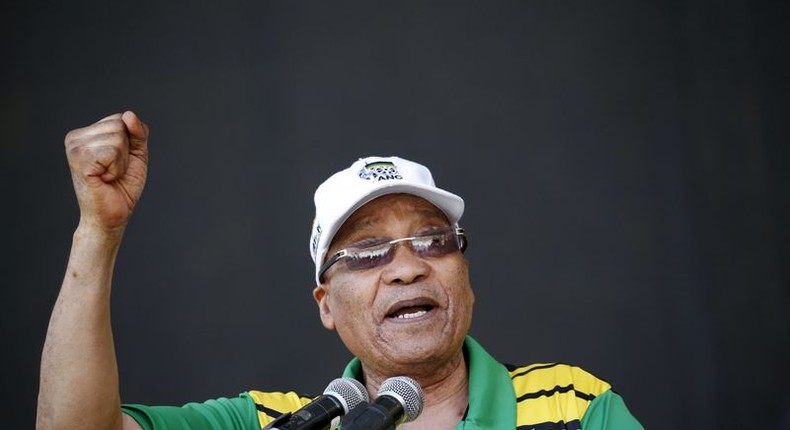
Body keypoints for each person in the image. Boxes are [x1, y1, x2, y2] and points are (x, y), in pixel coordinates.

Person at [36, 111, 644, 430]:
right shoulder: (275, 424)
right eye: (368, 252)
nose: (407, 267)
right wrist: (99, 229)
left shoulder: (570, 405)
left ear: (464, 272)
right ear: (326, 303)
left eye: (432, 240)